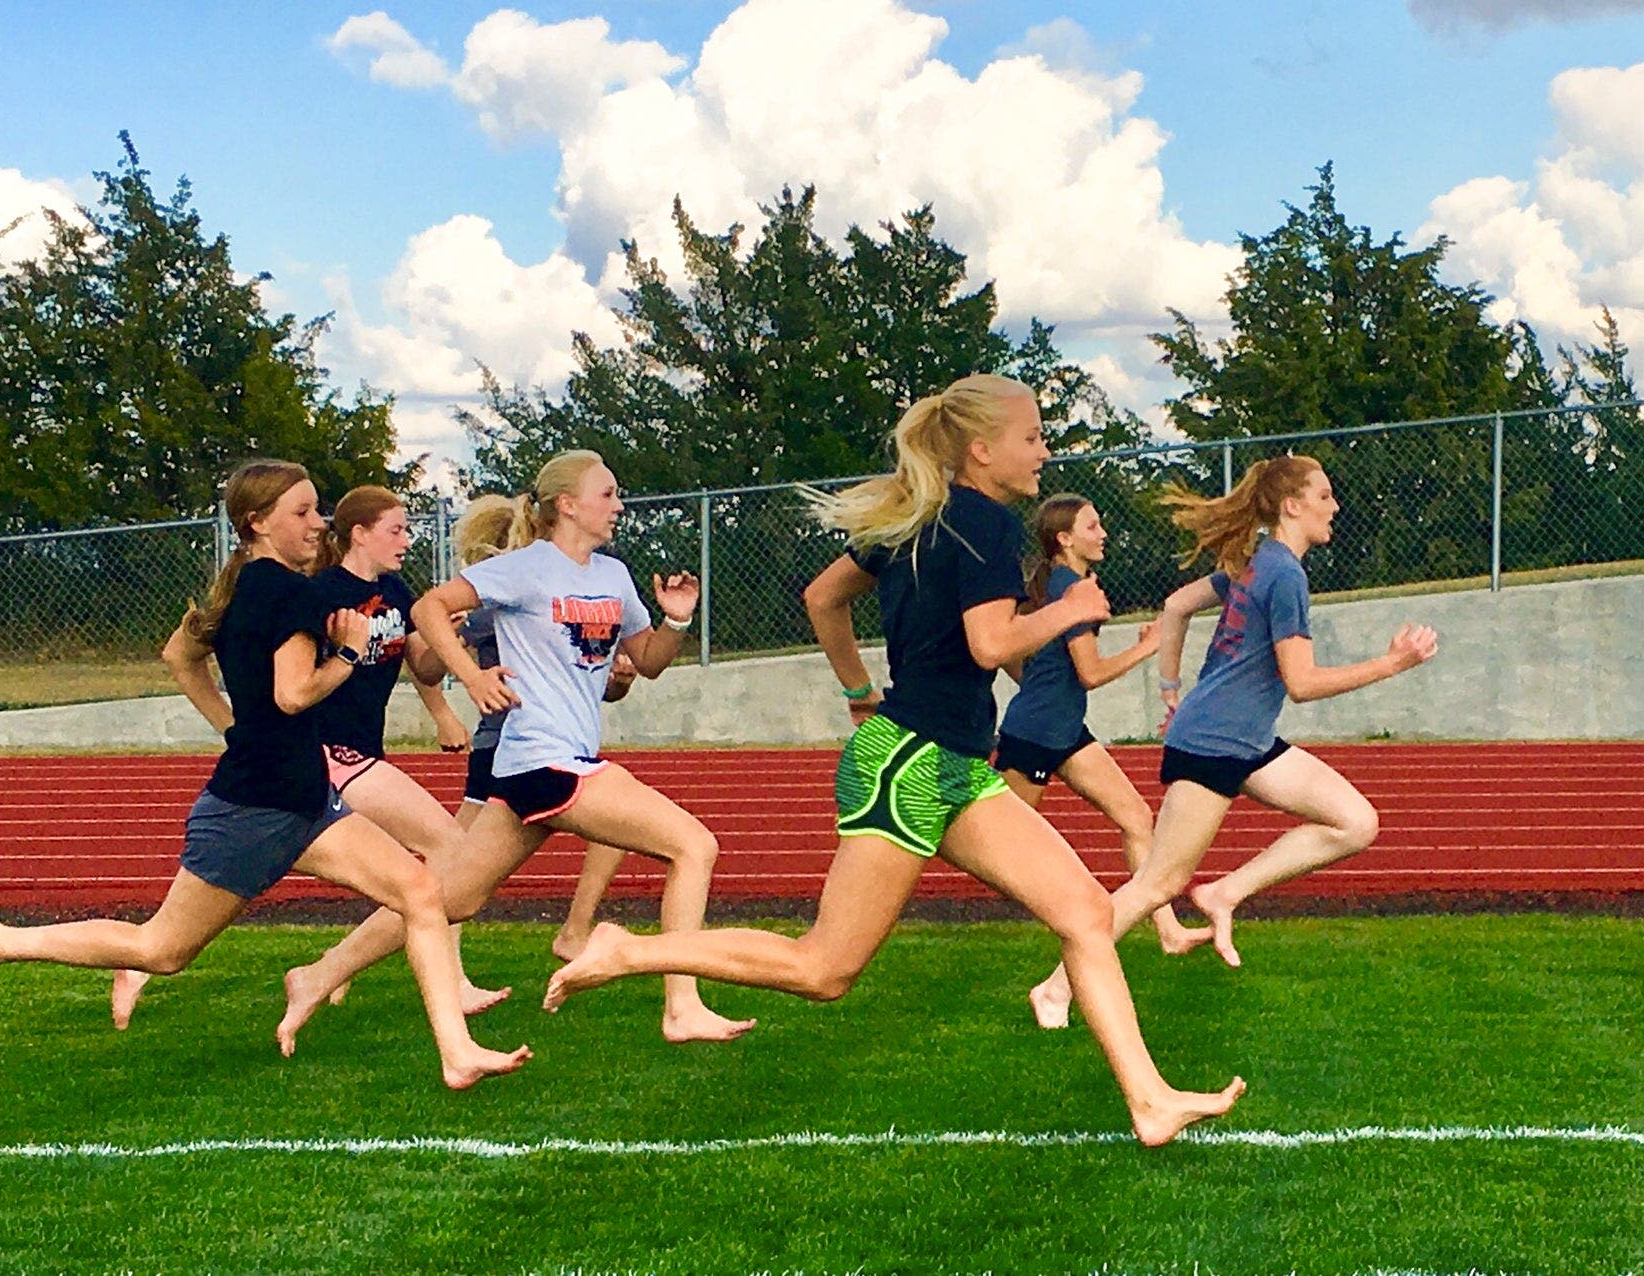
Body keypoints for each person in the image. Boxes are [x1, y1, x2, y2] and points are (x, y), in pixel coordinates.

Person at [542, 375, 1244, 1147]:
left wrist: (857, 690)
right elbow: (990, 644)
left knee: (1085, 913)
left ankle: (1149, 1100)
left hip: (945, 762)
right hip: (909, 764)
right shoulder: (982, 525)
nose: (1044, 451)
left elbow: (822, 598)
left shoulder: (916, 517)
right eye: (1033, 436)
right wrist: (1067, 612)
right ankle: (629, 949)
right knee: (823, 969)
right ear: (981, 449)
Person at [0, 460, 531, 1090]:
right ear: (257, 522)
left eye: (317, 509)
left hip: (305, 796)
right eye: (301, 512)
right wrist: (351, 652)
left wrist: (236, 726)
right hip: (254, 804)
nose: (316, 522)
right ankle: (1, 939)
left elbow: (194, 661)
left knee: (420, 890)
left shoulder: (251, 584)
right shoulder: (287, 592)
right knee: (161, 949)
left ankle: (457, 1052)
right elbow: (294, 694)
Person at [273, 451, 755, 1050]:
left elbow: (648, 663)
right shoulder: (525, 569)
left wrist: (676, 621)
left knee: (448, 896)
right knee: (694, 844)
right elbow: (428, 609)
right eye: (608, 494)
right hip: (545, 759)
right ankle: (681, 1004)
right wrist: (471, 680)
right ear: (567, 505)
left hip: (541, 767)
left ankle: (317, 975)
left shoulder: (614, 576)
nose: (620, 505)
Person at [1026, 455, 1437, 1028]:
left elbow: (1176, 606)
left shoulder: (1257, 561)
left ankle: (1224, 894)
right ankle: (1055, 987)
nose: (1334, 506)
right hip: (1216, 744)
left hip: (1244, 740)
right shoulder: (1284, 573)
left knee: (1355, 822)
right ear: (1292, 506)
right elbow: (1301, 683)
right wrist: (1393, 663)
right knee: (1158, 883)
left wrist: (1170, 687)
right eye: (1324, 495)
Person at [114, 484, 512, 1030]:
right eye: (395, 529)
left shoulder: (394, 590)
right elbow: (190, 656)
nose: (406, 539)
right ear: (361, 533)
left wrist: (450, 664)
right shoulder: (313, 591)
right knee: (447, 851)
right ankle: (410, 979)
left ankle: (149, 960)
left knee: (233, 894)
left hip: (345, 761)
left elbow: (419, 666)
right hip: (330, 753)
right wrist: (233, 727)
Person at [447, 493, 637, 966]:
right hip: (506, 744)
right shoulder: (502, 588)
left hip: (560, 746)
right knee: (449, 877)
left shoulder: (570, 584)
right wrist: (462, 672)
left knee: (620, 829)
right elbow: (427, 659)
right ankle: (355, 963)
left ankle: (575, 930)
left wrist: (616, 678)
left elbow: (595, 677)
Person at [993, 494, 1189, 953]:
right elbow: (1091, 673)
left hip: (1065, 732)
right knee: (1000, 838)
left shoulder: (1065, 584)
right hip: (1037, 735)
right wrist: (1148, 647)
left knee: (1137, 817)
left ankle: (1169, 931)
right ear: (1065, 539)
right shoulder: (1068, 589)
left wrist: (1037, 684)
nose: (1103, 534)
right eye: (1092, 526)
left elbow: (1014, 656)